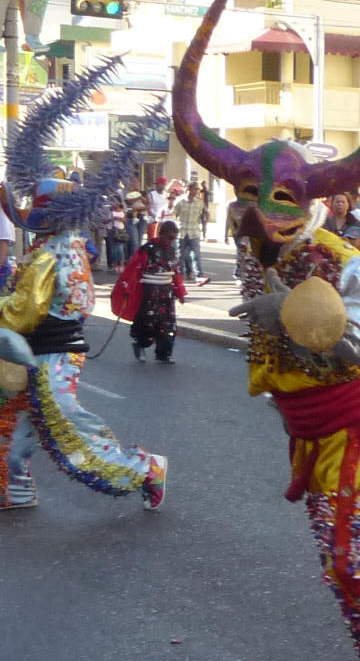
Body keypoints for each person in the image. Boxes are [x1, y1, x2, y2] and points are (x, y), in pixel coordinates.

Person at [0, 175, 167, 512]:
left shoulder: (49, 253)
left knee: (66, 425)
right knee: (18, 417)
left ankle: (146, 469)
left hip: (52, 351)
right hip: (47, 349)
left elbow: (23, 312)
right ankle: (13, 488)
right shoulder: (71, 244)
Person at [129, 221, 187, 363]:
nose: (171, 241)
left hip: (166, 293)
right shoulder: (147, 249)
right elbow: (134, 269)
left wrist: (180, 292)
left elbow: (176, 273)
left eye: (174, 239)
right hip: (149, 292)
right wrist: (128, 289)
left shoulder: (173, 252)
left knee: (168, 324)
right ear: (160, 234)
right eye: (169, 238)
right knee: (147, 321)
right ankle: (140, 344)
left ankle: (163, 354)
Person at [175, 178, 209, 284]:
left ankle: (199, 274)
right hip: (182, 231)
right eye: (194, 189)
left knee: (196, 254)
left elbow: (205, 213)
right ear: (188, 189)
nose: (196, 192)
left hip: (194, 231)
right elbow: (174, 214)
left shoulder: (199, 202)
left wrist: (204, 225)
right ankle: (181, 275)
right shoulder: (180, 201)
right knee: (181, 255)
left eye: (197, 190)